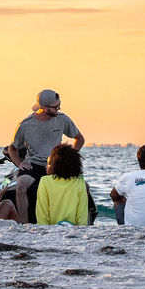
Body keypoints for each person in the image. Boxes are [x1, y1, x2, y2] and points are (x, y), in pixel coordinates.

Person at [9, 89, 84, 223]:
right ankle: (24, 225)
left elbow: (79, 139)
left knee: (84, 186)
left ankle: (82, 223)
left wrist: (68, 157)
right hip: (34, 165)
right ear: (43, 108)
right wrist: (20, 163)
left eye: (59, 104)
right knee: (20, 184)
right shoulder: (25, 125)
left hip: (56, 164)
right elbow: (12, 148)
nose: (59, 108)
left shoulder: (62, 119)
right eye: (56, 106)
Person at [35, 144, 91, 225]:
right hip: (73, 229)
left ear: (56, 165)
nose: (46, 167)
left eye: (49, 163)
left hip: (50, 230)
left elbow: (42, 213)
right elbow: (82, 215)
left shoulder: (45, 181)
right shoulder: (80, 181)